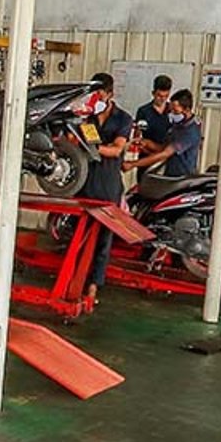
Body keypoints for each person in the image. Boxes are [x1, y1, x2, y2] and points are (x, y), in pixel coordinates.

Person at [77, 74, 136, 309]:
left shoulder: (123, 118)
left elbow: (117, 149)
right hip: (85, 179)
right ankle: (77, 279)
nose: (95, 99)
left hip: (108, 180)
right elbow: (72, 139)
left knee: (103, 238)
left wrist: (91, 149)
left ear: (110, 94)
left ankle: (93, 284)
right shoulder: (85, 116)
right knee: (79, 233)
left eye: (99, 94)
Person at [132, 89, 203, 178]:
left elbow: (165, 153)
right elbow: (163, 148)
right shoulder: (177, 125)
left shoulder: (190, 131)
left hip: (182, 178)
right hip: (170, 174)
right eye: (171, 110)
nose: (172, 113)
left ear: (187, 109)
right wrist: (147, 144)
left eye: (175, 111)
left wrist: (132, 164)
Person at [132, 74, 173, 164]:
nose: (162, 99)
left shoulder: (173, 111)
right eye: (159, 96)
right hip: (147, 156)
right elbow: (137, 135)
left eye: (165, 96)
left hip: (168, 157)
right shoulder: (144, 111)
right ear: (153, 93)